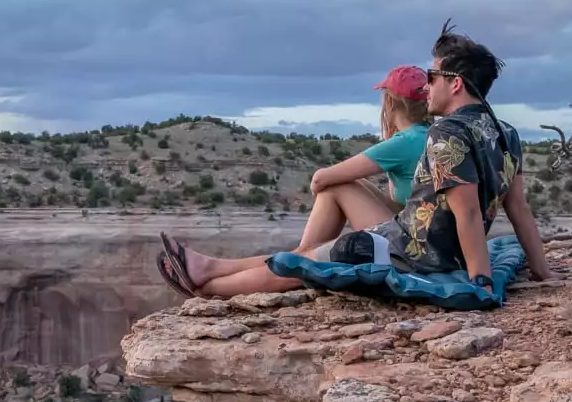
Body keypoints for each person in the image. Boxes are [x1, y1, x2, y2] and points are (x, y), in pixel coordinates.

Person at [157, 24, 550, 297]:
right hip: (428, 247)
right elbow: (518, 208)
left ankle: (208, 286)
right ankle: (207, 270)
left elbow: (466, 213)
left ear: (456, 83)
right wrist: (542, 271)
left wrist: (479, 283)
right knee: (311, 255)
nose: (427, 85)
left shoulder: (446, 134)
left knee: (309, 263)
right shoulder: (507, 133)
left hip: (411, 252)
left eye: (432, 77)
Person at [156, 67, 429, 298]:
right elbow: (400, 203)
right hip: (415, 236)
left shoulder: (405, 141)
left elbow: (322, 177)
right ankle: (213, 268)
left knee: (333, 191)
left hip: (407, 246)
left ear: (389, 103)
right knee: (312, 240)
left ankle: (208, 286)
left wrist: (320, 189)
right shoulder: (428, 136)